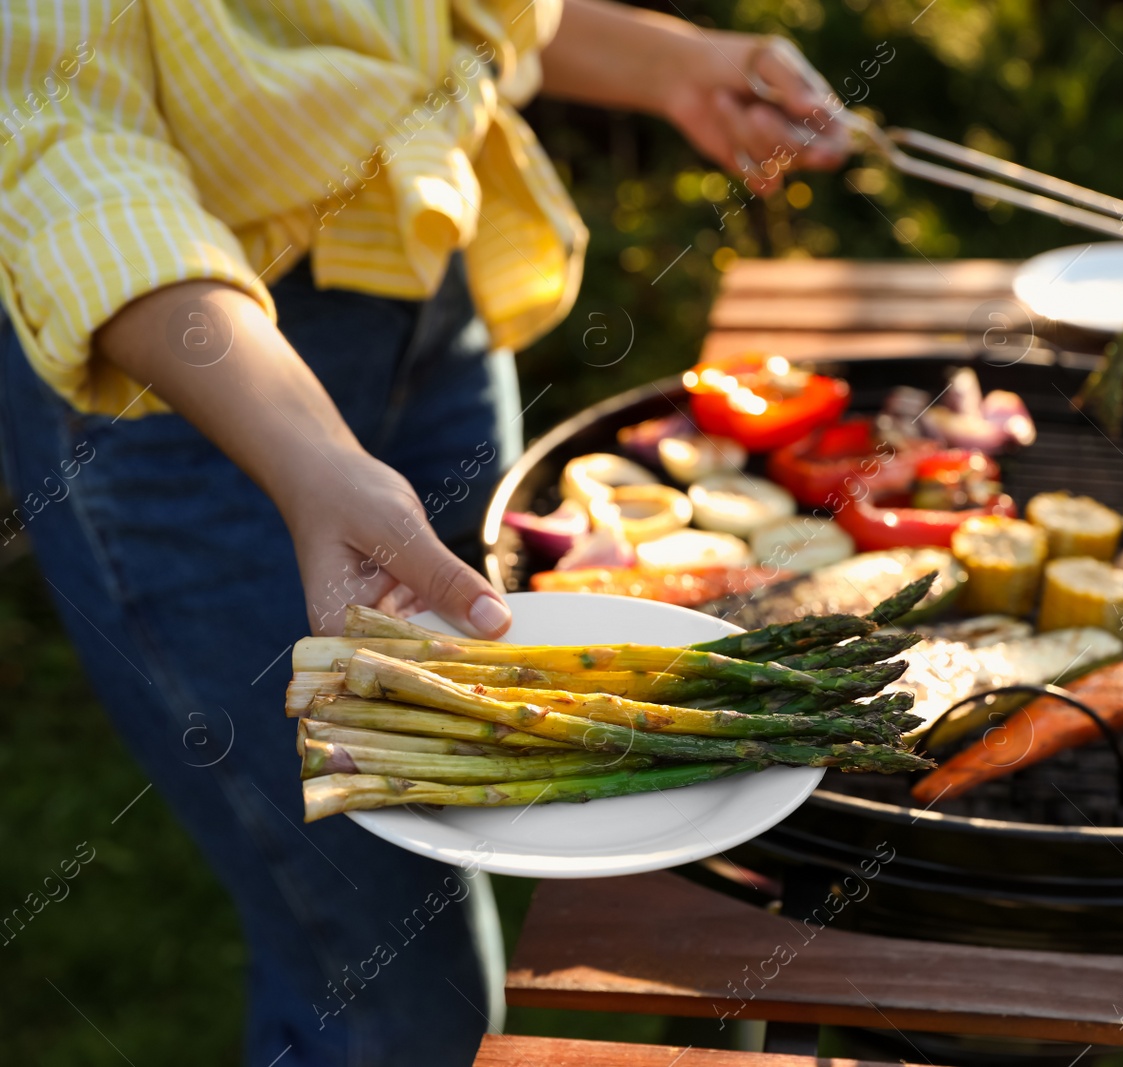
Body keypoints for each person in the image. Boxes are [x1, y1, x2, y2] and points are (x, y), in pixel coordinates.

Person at [0, 2, 849, 1064]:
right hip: (192, 376)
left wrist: (673, 64)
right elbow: (52, 135)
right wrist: (312, 456)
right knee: (396, 985)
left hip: (427, 283)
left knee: (463, 805)